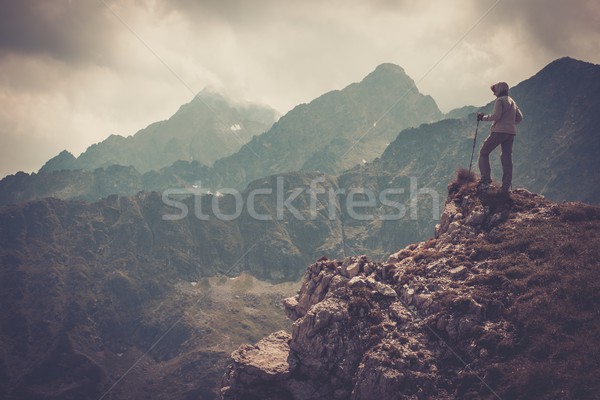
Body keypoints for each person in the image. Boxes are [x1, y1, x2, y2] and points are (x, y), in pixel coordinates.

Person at [476, 81, 523, 193]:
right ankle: (505, 187)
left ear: (500, 90)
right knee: (507, 157)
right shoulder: (512, 101)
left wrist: (483, 118)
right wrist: (509, 124)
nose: (494, 93)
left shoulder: (499, 101)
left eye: (495, 91)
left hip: (499, 132)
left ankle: (486, 180)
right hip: (511, 133)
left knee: (484, 153)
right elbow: (520, 118)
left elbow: (496, 116)